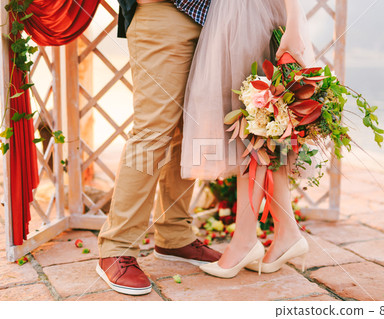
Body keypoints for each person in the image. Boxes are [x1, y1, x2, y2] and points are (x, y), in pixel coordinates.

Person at [181, 0, 316, 278]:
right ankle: (286, 231)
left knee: (254, 118)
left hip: (249, 12)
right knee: (264, 119)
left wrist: (294, 21)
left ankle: (245, 240)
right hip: (235, 12)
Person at [96, 0, 221, 295]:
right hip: (162, 11)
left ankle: (174, 234)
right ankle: (116, 247)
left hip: (210, 19)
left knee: (189, 131)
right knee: (151, 132)